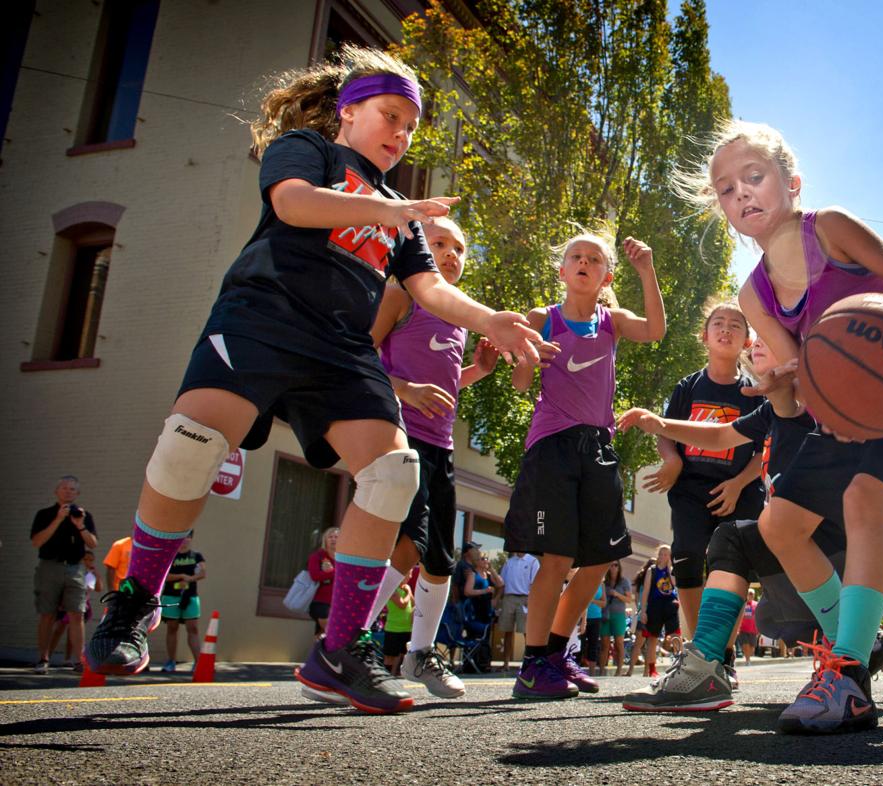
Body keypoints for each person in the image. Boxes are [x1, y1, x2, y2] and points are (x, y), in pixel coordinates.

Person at [83, 45, 546, 716]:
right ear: (349, 112)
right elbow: (295, 206)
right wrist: (387, 214)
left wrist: (492, 320)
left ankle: (338, 650)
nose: (401, 134)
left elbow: (430, 289)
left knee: (393, 472)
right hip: (261, 319)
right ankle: (134, 601)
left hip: (338, 347)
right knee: (190, 440)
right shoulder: (308, 152)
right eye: (390, 116)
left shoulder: (398, 208)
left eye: (410, 126)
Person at [671, 119, 883, 733]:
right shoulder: (753, 296)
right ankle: (856, 646)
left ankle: (849, 678)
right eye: (726, 189)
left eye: (754, 177)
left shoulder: (828, 228)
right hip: (845, 414)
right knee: (779, 525)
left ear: (791, 182)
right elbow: (802, 386)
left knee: (865, 501)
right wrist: (779, 385)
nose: (741, 193)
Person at [620, 337, 883, 711]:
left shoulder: (829, 401)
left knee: (743, 542)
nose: (757, 341)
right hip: (813, 547)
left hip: (862, 547)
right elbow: (719, 436)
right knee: (768, 609)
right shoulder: (770, 411)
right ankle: (708, 668)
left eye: (770, 335)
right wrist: (660, 423)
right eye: (757, 337)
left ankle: (860, 650)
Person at [504, 229, 665, 700]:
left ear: (605, 276)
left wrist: (647, 269)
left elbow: (655, 331)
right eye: (575, 256)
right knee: (554, 557)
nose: (583, 262)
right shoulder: (542, 318)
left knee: (598, 560)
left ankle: (556, 653)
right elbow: (518, 384)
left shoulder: (611, 321)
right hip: (553, 445)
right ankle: (533, 665)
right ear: (562, 270)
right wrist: (526, 356)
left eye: (593, 259)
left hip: (599, 445)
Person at [364, 214, 500, 699]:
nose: (451, 254)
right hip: (398, 435)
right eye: (439, 243)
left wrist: (478, 372)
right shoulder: (401, 292)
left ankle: (420, 655)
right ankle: (343, 640)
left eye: (460, 248)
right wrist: (403, 388)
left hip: (441, 446)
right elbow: (359, 352)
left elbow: (442, 390)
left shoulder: (458, 316)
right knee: (407, 547)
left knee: (439, 558)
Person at [644, 300, 764, 636]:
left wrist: (739, 483)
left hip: (738, 491)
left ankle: (722, 651)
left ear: (747, 341)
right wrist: (672, 459)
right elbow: (664, 430)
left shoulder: (755, 394)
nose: (726, 329)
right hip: (691, 489)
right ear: (705, 335)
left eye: (735, 325)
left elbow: (764, 451)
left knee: (730, 566)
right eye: (719, 323)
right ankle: (696, 647)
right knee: (687, 555)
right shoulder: (687, 387)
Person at [30, 476, 97, 674]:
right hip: (50, 566)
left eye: (73, 490)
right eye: (65, 488)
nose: (69, 492)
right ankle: (43, 658)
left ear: (77, 494)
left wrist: (80, 525)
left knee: (77, 613)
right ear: (57, 491)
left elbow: (93, 544)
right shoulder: (44, 514)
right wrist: (58, 519)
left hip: (75, 569)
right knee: (47, 614)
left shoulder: (84, 516)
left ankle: (79, 660)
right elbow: (37, 542)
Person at [159, 532, 206, 673]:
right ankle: (171, 661)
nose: (184, 540)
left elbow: (203, 573)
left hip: (190, 596)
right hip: (171, 596)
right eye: (182, 537)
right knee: (172, 628)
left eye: (187, 537)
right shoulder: (169, 555)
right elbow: (164, 576)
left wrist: (190, 579)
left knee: (193, 628)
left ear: (191, 538)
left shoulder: (196, 556)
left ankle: (198, 663)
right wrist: (180, 576)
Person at [638, 545, 681, 679]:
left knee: (675, 634)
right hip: (655, 605)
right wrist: (643, 611)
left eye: (666, 554)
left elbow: (675, 584)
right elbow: (645, 592)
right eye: (661, 554)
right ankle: (652, 668)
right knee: (652, 637)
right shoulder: (652, 570)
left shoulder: (672, 570)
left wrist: (669, 569)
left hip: (670, 604)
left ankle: (680, 663)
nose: (663, 557)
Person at [497, 551, 539, 671]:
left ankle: (529, 663)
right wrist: (498, 599)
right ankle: (506, 663)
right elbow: (502, 583)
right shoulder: (508, 562)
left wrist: (531, 600)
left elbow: (534, 583)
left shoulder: (533, 561)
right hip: (509, 598)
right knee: (507, 631)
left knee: (526, 632)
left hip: (525, 598)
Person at [623, 558, 657, 677]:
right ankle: (633, 670)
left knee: (649, 644)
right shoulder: (643, 580)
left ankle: (645, 672)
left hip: (652, 613)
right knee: (639, 643)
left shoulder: (657, 580)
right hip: (644, 613)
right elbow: (637, 596)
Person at [599, 561, 633, 674]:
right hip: (605, 615)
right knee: (605, 643)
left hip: (618, 615)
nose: (613, 567)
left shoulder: (624, 581)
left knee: (619, 643)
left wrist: (617, 594)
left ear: (619, 567)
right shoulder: (604, 582)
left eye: (616, 565)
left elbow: (629, 599)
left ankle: (619, 669)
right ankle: (602, 670)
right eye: (611, 565)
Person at [306, 527, 338, 639]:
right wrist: (333, 572)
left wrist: (332, 572)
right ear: (325, 540)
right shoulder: (317, 557)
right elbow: (315, 576)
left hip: (338, 602)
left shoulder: (344, 559)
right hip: (320, 602)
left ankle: (316, 656)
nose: (333, 539)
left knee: (320, 635)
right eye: (330, 537)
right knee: (330, 632)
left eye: (336, 537)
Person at [382, 568, 416, 674]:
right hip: (393, 628)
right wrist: (408, 592)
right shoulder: (392, 588)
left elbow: (414, 603)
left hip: (406, 628)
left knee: (402, 654)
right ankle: (387, 674)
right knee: (390, 656)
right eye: (409, 574)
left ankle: (395, 674)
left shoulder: (406, 589)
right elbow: (401, 604)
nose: (410, 577)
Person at [737, 589, 759, 667]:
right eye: (749, 594)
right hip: (743, 629)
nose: (750, 595)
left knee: (752, 649)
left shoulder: (757, 604)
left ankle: (748, 657)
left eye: (752, 594)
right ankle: (747, 660)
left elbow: (759, 617)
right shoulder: (743, 604)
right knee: (745, 645)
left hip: (753, 629)